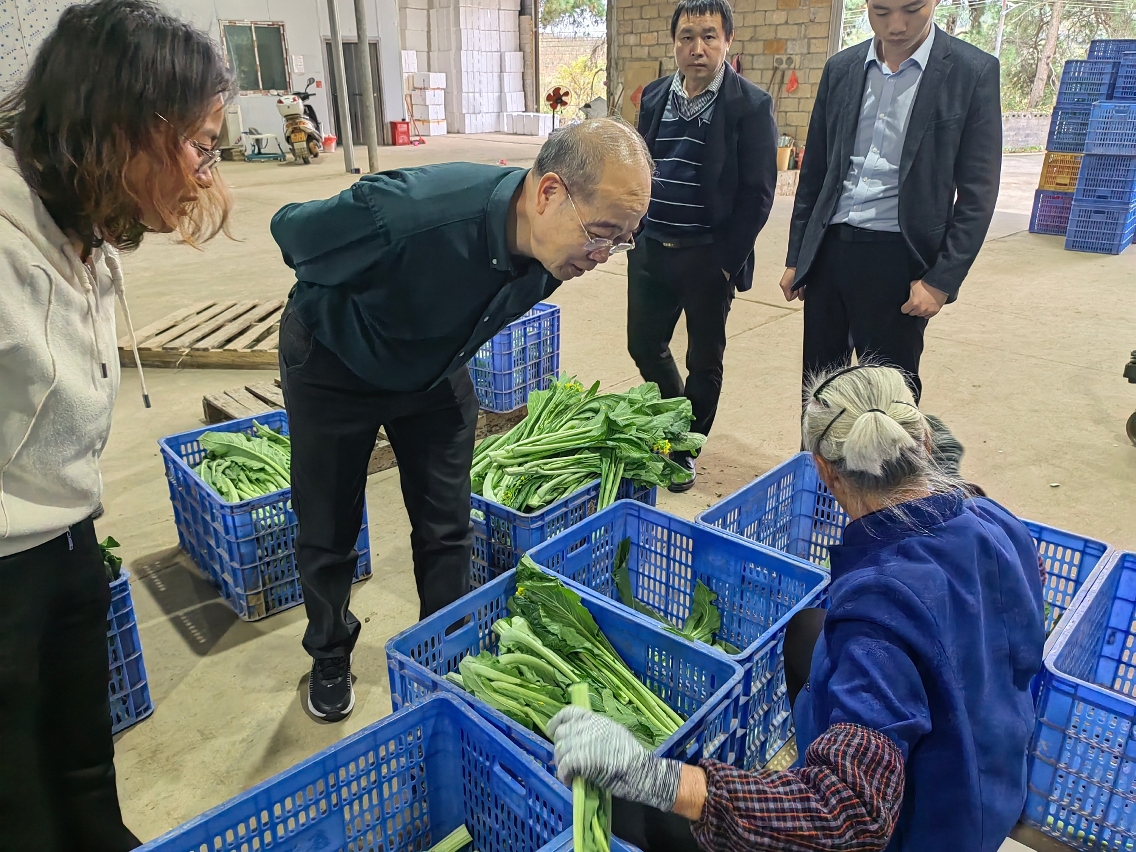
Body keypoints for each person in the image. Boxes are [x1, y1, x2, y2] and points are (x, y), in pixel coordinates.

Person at [549, 363, 1045, 852]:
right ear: (927, 441)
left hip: (923, 833)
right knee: (810, 630)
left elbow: (848, 814)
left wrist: (652, 777)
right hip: (990, 786)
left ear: (823, 470)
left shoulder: (881, 609)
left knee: (640, 811)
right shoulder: (991, 518)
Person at [270, 118, 653, 723]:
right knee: (328, 524)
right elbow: (292, 231)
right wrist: (363, 299)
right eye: (601, 233)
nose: (603, 256)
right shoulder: (410, 214)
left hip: (435, 369)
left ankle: (441, 655)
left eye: (622, 240)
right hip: (336, 364)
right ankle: (330, 653)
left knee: (447, 526)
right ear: (549, 192)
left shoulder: (552, 252)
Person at [0, 1, 232, 849]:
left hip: (65, 534)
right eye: (200, 145)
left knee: (83, 763)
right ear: (124, 126)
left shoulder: (81, 225)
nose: (205, 175)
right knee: (19, 802)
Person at [777, 0, 1001, 402]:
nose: (896, 25)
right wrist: (798, 257)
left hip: (899, 259)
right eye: (881, 12)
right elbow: (815, 175)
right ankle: (820, 448)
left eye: (911, 9)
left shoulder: (972, 71)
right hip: (829, 253)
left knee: (890, 402)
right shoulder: (842, 68)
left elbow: (978, 193)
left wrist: (941, 280)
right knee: (821, 394)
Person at [628, 0, 778, 491]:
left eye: (709, 36)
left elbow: (759, 193)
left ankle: (685, 448)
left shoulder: (750, 105)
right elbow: (639, 166)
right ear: (674, 42)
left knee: (704, 361)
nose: (698, 48)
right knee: (644, 344)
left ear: (727, 41)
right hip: (651, 246)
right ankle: (676, 422)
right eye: (687, 37)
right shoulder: (654, 95)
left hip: (707, 256)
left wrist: (726, 263)